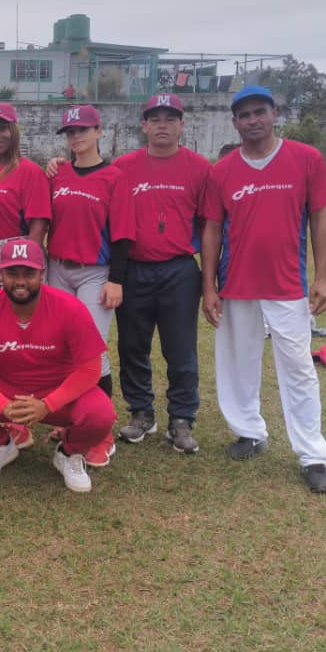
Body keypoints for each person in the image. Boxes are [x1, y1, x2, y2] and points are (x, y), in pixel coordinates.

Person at [201, 86, 326, 494]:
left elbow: (320, 217)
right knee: (237, 363)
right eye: (244, 115)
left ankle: (313, 456)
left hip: (286, 284)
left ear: (275, 114)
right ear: (235, 122)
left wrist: (323, 276)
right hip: (236, 284)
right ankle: (249, 431)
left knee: (297, 368)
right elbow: (211, 229)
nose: (253, 120)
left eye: (260, 112)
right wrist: (209, 285)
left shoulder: (306, 159)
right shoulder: (222, 170)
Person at [0, 239, 115, 492]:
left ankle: (69, 453)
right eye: (12, 273)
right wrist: (3, 405)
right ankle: (0, 445)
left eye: (29, 273)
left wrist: (48, 405)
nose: (20, 281)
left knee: (101, 414)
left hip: (57, 390)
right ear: (1, 273)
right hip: (7, 389)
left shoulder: (70, 308)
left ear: (42, 273)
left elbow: (90, 369)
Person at [110, 94, 210, 454]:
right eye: (155, 119)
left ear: (182, 125)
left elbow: (209, 223)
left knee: (180, 348)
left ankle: (181, 419)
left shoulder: (199, 167)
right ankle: (141, 413)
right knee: (132, 345)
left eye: (170, 118)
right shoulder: (124, 165)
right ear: (145, 126)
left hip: (179, 270)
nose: (162, 125)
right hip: (134, 268)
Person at [45, 104, 135, 467]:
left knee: (92, 352)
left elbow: (124, 234)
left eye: (83, 130)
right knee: (61, 350)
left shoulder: (114, 176)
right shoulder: (58, 173)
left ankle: (102, 432)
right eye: (70, 132)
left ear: (99, 131)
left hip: (95, 272)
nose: (76, 137)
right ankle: (72, 419)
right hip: (57, 267)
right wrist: (52, 165)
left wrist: (116, 279)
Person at [0, 102, 51, 297]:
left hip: (17, 250)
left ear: (13, 131)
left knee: (24, 317)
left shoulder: (29, 171)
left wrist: (26, 263)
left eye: (2, 128)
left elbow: (39, 224)